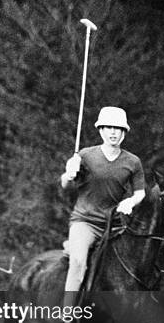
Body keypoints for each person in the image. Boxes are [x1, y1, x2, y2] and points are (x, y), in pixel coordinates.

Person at [60, 106, 146, 308]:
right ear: (101, 131)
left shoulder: (133, 162)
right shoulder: (85, 155)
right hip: (85, 222)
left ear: (124, 132)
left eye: (118, 128)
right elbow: (65, 184)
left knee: (134, 262)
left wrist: (130, 201)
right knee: (79, 262)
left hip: (114, 225)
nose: (113, 132)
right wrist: (69, 173)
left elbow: (140, 192)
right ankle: (67, 312)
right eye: (109, 128)